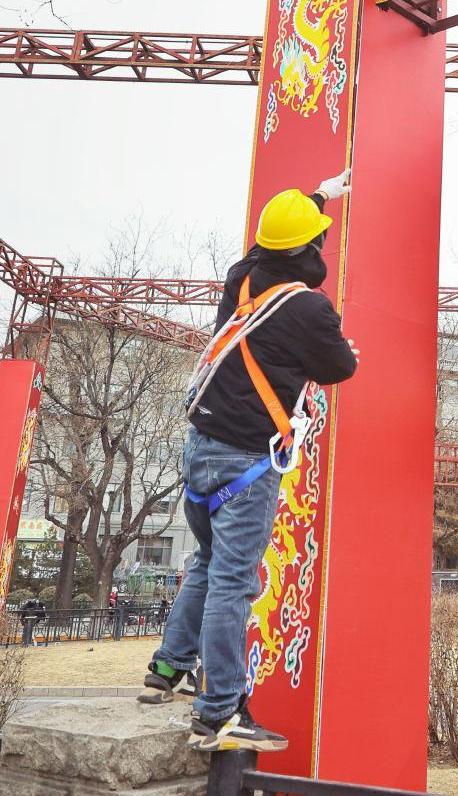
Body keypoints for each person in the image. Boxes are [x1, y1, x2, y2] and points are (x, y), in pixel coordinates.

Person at [139, 171, 358, 753]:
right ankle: (220, 713)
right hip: (247, 463)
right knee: (233, 583)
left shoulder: (242, 280)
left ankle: (167, 667)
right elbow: (340, 368)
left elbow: (274, 241)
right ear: (308, 249)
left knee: (209, 564)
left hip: (200, 452)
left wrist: (321, 194)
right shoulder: (309, 309)